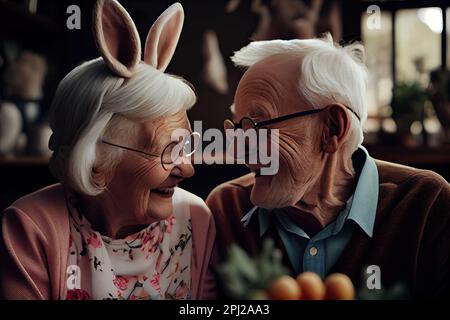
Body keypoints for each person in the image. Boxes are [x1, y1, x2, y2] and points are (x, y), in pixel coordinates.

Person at [206, 34, 450, 298]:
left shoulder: (427, 204)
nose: (238, 149)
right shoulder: (228, 208)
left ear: (332, 129)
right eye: (236, 129)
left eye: (255, 126)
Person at [0, 1, 215, 300]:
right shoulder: (31, 226)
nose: (187, 169)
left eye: (186, 147)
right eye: (167, 150)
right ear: (95, 157)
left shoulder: (194, 218)